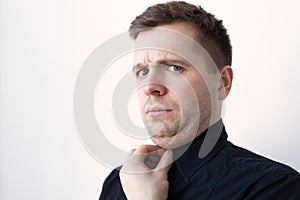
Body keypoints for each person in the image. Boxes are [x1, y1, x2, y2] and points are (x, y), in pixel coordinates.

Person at [99, 1, 300, 199]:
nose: (150, 87)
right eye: (143, 71)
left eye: (174, 67)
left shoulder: (274, 187)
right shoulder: (117, 184)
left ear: (222, 82)